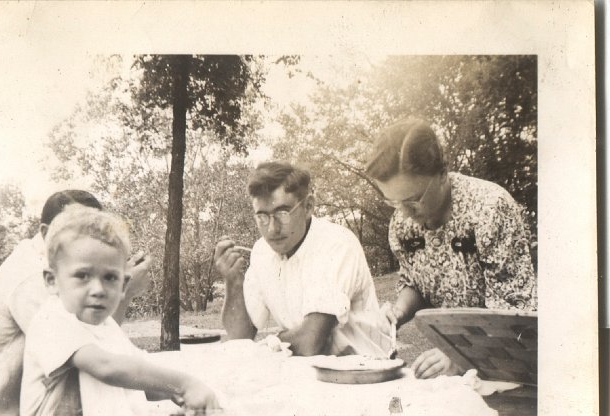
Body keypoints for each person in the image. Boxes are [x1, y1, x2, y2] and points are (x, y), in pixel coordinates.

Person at [0, 190, 152, 416]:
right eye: (71, 227)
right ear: (45, 231)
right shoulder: (33, 277)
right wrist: (124, 293)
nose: (82, 238)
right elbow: (90, 350)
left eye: (89, 228)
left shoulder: (55, 266)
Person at [12, 204, 219, 416]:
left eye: (110, 277)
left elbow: (141, 379)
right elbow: (107, 368)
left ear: (123, 285)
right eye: (82, 275)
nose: (98, 289)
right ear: (52, 280)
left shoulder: (108, 328)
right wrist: (183, 384)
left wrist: (174, 394)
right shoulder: (51, 320)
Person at [365, 118, 537, 379]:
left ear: (442, 172)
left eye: (413, 200)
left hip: (510, 365)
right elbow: (415, 282)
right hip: (459, 369)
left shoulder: (490, 208)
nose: (405, 213)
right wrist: (397, 313)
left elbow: (514, 313)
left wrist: (460, 357)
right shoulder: (402, 223)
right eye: (394, 202)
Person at [214, 161, 385, 357]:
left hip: (364, 371)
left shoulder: (335, 244)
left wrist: (269, 344)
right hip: (307, 372)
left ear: (308, 206)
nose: (272, 229)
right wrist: (233, 281)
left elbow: (310, 342)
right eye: (262, 216)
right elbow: (240, 336)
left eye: (282, 213)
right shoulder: (262, 250)